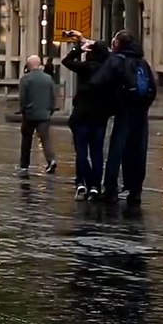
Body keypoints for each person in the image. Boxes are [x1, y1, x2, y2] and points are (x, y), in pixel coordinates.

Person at [90, 30, 157, 208]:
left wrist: (111, 104)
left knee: (117, 149)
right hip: (141, 111)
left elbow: (98, 83)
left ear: (118, 44)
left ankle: (111, 189)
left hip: (124, 110)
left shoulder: (117, 60)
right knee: (138, 150)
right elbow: (153, 87)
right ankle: (135, 191)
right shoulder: (142, 62)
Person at [63, 35, 112, 200]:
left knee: (81, 151)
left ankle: (82, 183)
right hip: (100, 117)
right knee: (97, 152)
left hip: (82, 114)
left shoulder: (85, 67)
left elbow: (66, 61)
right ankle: (95, 186)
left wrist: (79, 48)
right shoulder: (108, 70)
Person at [18, 55, 57, 174]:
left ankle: (24, 165)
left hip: (30, 114)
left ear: (28, 65)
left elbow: (23, 97)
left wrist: (23, 109)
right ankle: (51, 160)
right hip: (44, 113)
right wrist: (51, 109)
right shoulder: (48, 78)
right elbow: (53, 95)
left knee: (26, 139)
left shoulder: (25, 79)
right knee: (45, 139)